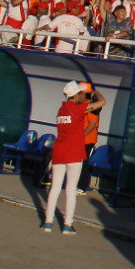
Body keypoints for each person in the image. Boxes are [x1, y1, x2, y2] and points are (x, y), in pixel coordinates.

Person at [41, 81, 105, 234]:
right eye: (81, 93)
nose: (83, 95)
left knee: (55, 188)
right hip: (74, 154)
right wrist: (95, 93)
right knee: (70, 190)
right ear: (76, 95)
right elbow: (102, 102)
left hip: (59, 152)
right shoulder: (78, 109)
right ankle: (67, 225)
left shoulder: (61, 110)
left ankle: (48, 222)